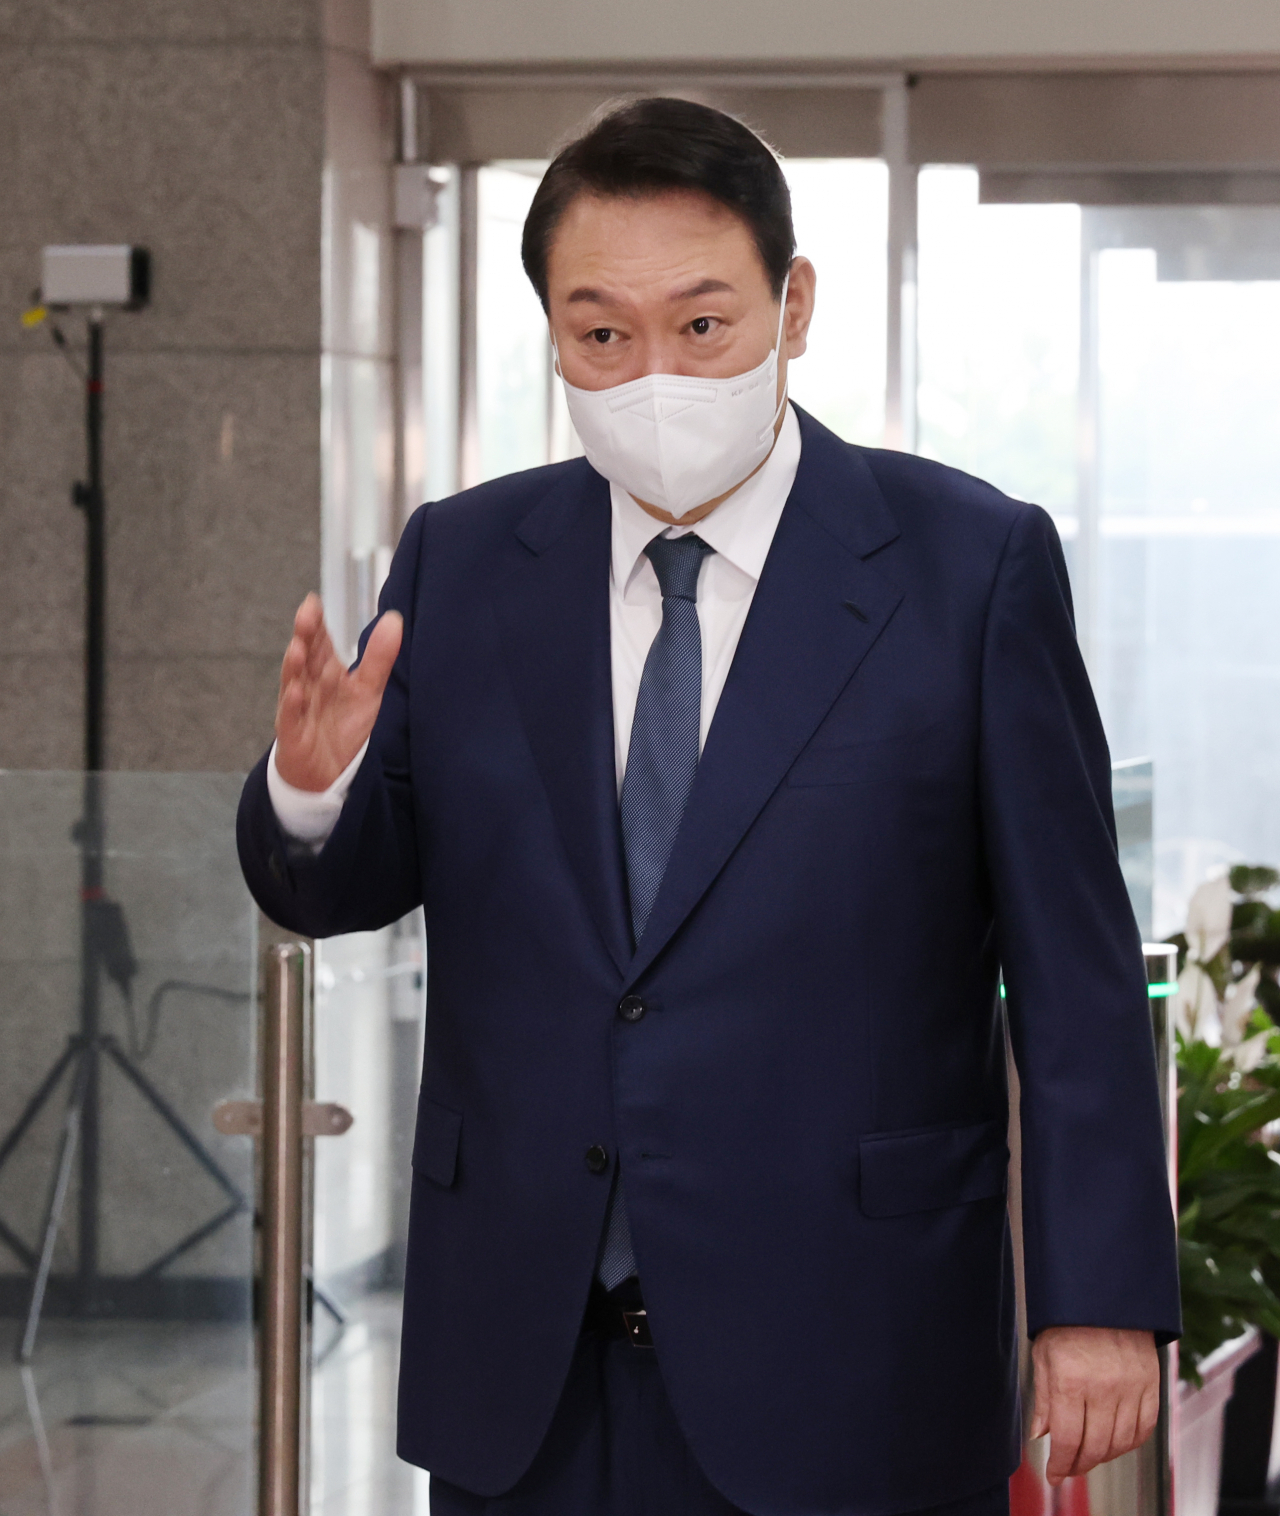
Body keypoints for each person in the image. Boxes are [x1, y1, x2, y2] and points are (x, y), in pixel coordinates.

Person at [238, 97, 1180, 1516]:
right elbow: (344, 884)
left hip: (853, 1352)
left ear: (792, 304)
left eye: (703, 323)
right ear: (551, 331)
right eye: (602, 333)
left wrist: (1100, 1296)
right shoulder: (468, 561)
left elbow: (1078, 975)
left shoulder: (967, 568)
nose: (654, 374)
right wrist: (310, 793)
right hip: (526, 1370)